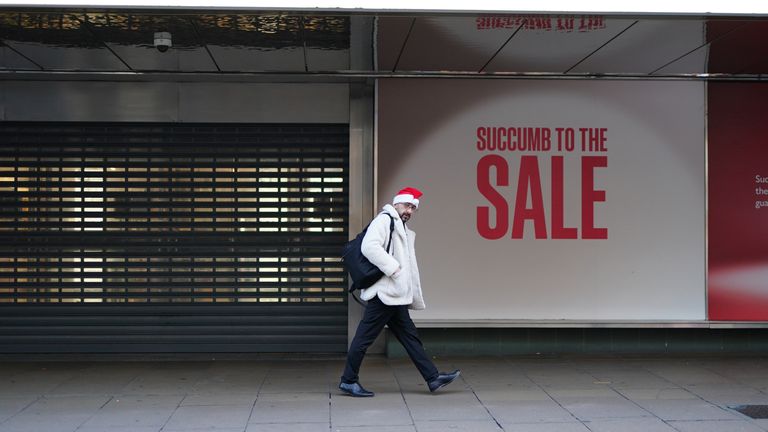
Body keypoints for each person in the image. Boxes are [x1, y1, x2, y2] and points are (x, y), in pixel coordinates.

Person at [339, 187, 460, 397]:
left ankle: (432, 378)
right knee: (364, 338)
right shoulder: (385, 220)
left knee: (410, 337)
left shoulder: (399, 225)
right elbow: (370, 246)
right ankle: (348, 380)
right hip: (385, 294)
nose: (410, 211)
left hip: (394, 295)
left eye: (413, 208)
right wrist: (393, 268)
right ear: (397, 203)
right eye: (407, 205)